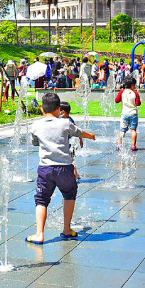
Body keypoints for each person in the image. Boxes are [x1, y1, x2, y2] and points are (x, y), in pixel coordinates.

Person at [26, 92, 96, 244]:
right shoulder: (65, 123)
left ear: (42, 110)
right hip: (65, 168)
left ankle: (39, 234)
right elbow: (79, 132)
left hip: (45, 168)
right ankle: (66, 229)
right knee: (69, 195)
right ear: (59, 110)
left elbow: (35, 143)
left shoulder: (36, 125)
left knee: (42, 200)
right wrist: (90, 136)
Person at [115, 76, 141, 151]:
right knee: (133, 130)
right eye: (134, 85)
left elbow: (116, 100)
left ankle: (120, 145)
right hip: (133, 113)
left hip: (124, 113)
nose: (135, 86)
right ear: (132, 85)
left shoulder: (122, 92)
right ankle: (133, 146)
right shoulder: (135, 93)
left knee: (122, 130)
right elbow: (138, 103)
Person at [59, 102, 82, 181]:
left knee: (69, 160)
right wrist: (80, 139)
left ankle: (75, 176)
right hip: (73, 142)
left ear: (63, 112)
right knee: (69, 159)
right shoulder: (69, 119)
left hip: (71, 143)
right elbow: (77, 130)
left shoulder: (66, 121)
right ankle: (76, 175)